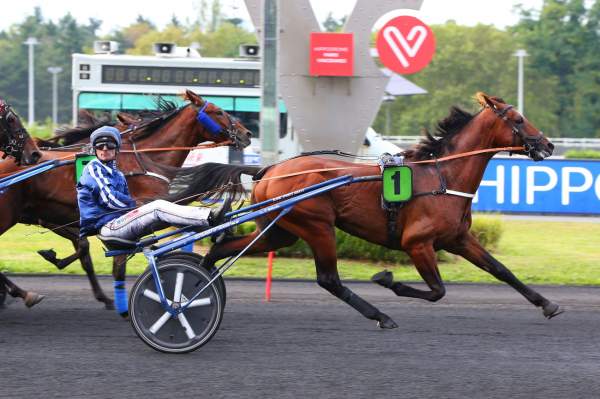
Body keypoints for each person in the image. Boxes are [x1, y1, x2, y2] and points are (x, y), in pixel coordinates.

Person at [76, 126, 226, 316]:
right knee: (157, 207)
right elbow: (108, 199)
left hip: (120, 223)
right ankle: (210, 217)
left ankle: (205, 229)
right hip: (108, 228)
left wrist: (136, 206)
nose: (104, 148)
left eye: (109, 145)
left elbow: (122, 203)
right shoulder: (93, 169)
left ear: (116, 149)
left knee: (160, 214)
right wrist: (137, 205)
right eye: (100, 145)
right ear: (94, 149)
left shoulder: (118, 175)